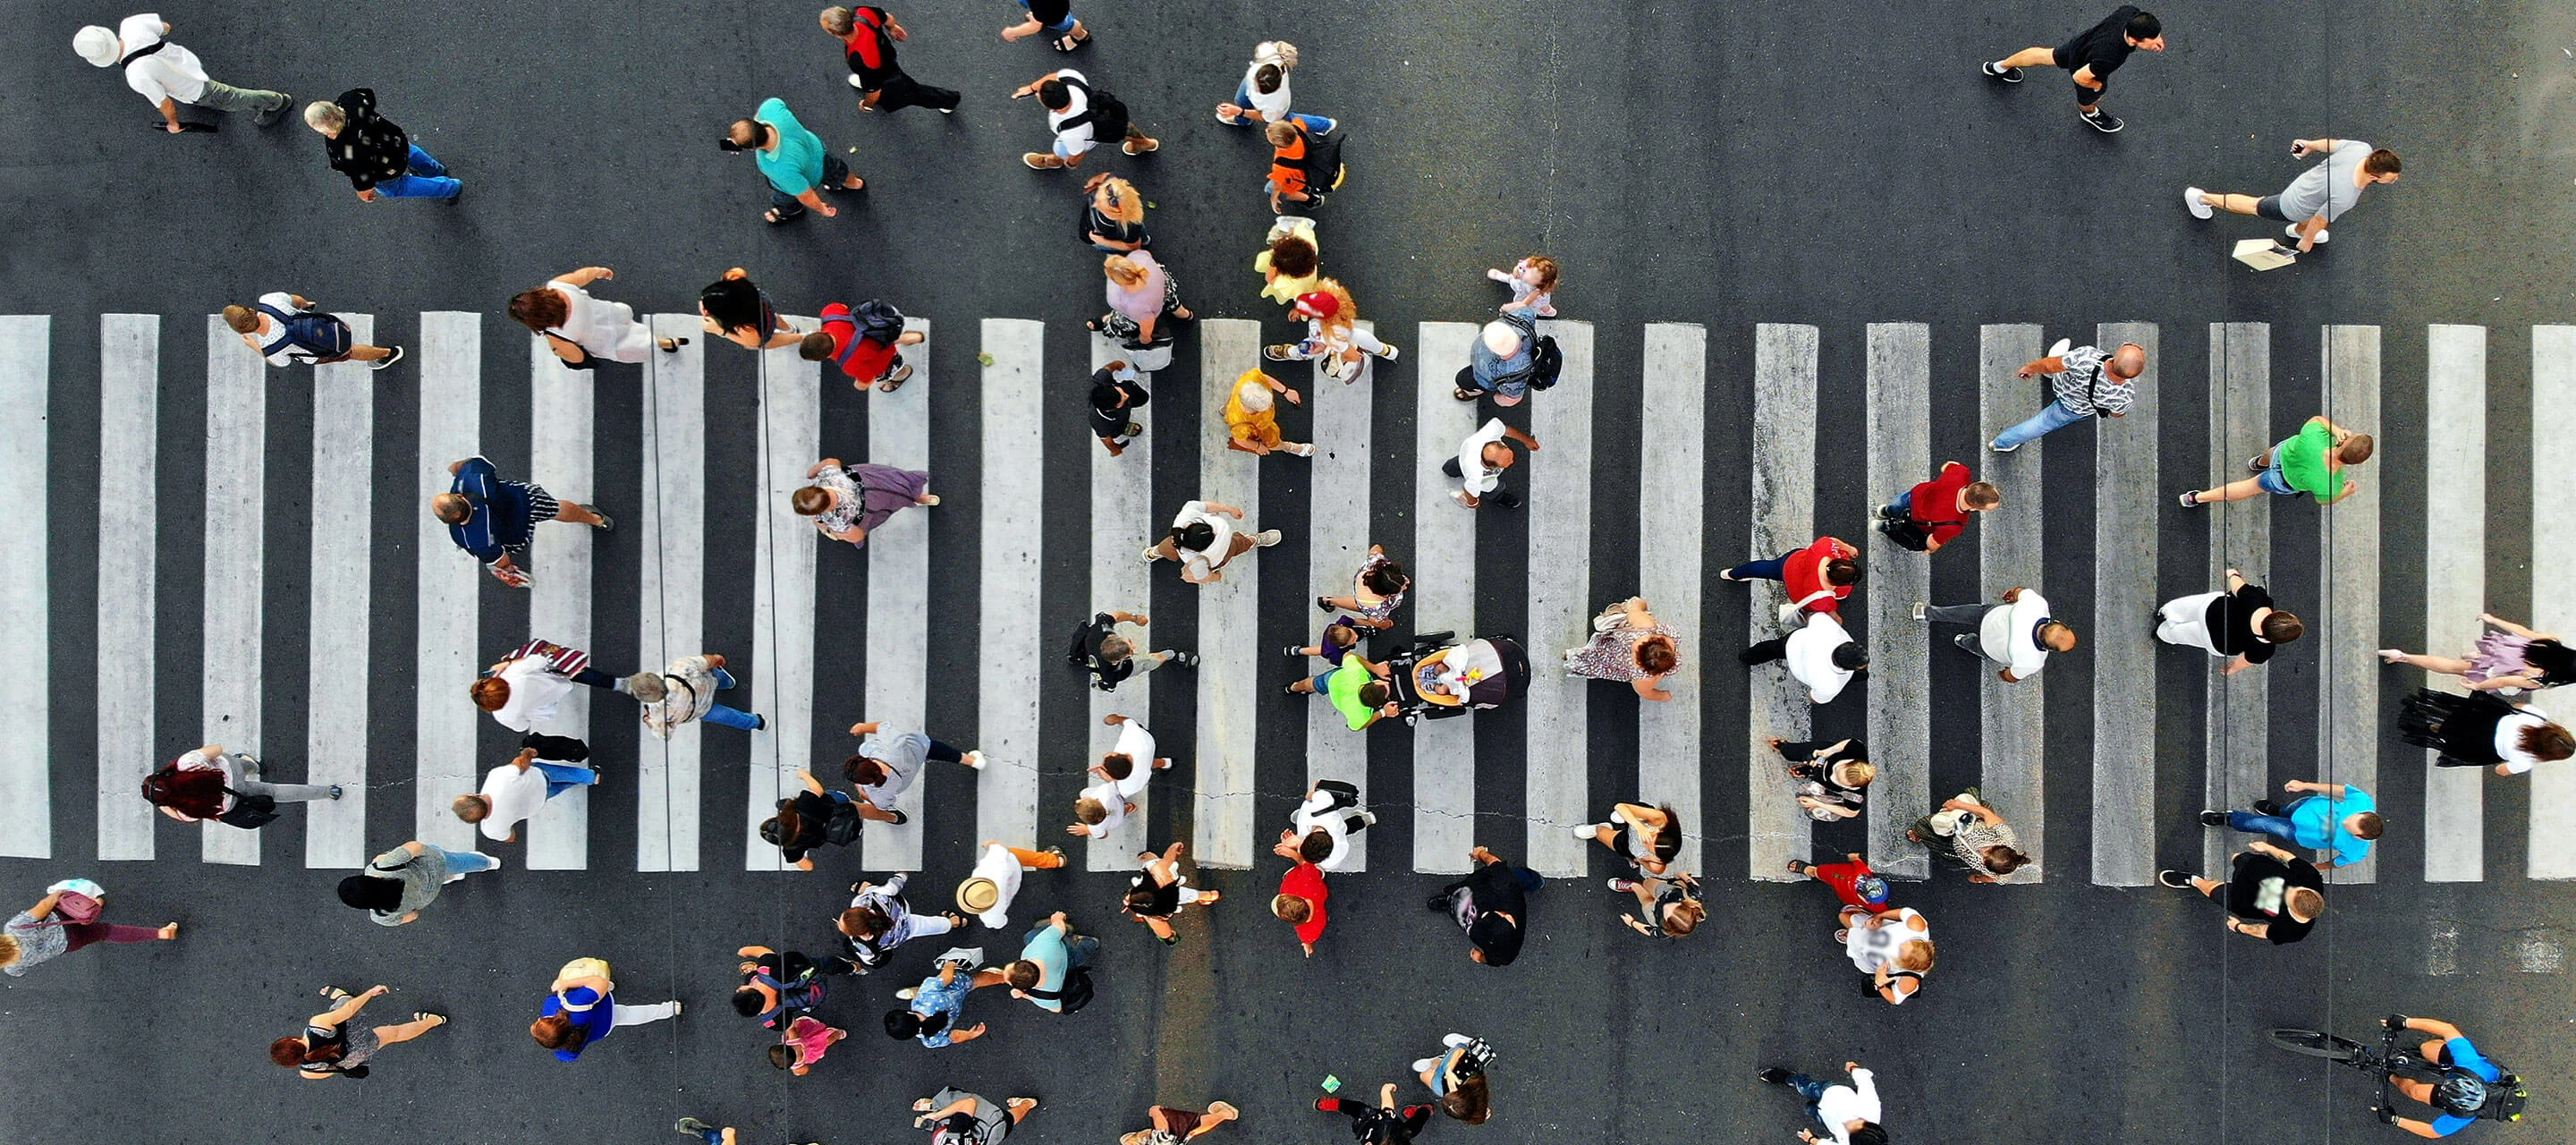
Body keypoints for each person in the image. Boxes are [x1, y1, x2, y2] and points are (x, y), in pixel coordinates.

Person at [76, 14, 292, 132]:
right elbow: (166, 27)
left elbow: (166, 104)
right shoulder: (131, 24)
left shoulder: (136, 75)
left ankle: (275, 103)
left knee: (233, 98)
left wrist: (173, 124)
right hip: (186, 62)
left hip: (195, 89)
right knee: (221, 96)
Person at [2185, 139, 2402, 252]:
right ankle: (2201, 198)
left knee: (2314, 210)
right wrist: (2307, 241)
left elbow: (2331, 144)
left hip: (2310, 187)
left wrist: (2309, 146)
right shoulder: (2346, 195)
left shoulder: (2361, 149)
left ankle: (2297, 230)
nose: (2394, 180)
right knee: (2255, 206)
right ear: (2375, 176)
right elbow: (2320, 220)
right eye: (2391, 178)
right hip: (2294, 205)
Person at [1979, 5, 2165, 132]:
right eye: (2153, 39)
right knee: (2091, 95)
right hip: (2086, 64)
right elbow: (2080, 77)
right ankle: (2089, 113)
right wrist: (2098, 86)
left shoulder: (2130, 13)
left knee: (2044, 55)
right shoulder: (2112, 57)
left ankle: (1999, 67)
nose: (2157, 41)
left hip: (2081, 44)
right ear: (2135, 40)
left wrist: (2153, 36)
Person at [436, 456, 611, 588]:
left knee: (498, 560)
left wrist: (508, 569)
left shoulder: (467, 538)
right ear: (459, 496)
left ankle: (523, 579)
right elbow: (471, 463)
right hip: (526, 501)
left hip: (516, 533)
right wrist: (455, 468)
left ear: (450, 522)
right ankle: (596, 519)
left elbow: (501, 561)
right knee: (557, 508)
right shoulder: (473, 478)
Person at [2371, 1014, 2529, 1136]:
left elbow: (2432, 1132)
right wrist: (2405, 1022)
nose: (2443, 1088)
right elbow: (2447, 1029)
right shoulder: (2471, 1064)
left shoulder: (2463, 1114)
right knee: (2427, 1049)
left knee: (2415, 1092)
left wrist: (2394, 1120)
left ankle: (2392, 1077)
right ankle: (2439, 1054)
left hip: (2462, 1091)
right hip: (2466, 1068)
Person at [2181, 414, 2374, 507]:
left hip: (2281, 454)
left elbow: (2316, 419)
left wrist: (2337, 430)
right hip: (2281, 481)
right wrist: (2345, 492)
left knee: (2270, 453)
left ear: (2344, 442)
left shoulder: (2317, 437)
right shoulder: (2333, 482)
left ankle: (2258, 463)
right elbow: (2323, 500)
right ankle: (2196, 498)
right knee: (2249, 488)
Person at [509, 267, 686, 368]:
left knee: (639, 342)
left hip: (607, 340)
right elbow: (581, 276)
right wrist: (598, 272)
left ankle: (668, 343)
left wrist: (559, 353)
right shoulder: (557, 287)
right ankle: (668, 343)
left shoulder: (556, 335)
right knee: (630, 325)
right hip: (611, 314)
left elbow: (577, 358)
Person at [2157, 839, 2326, 944]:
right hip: (2256, 867)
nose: (2288, 889)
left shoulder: (2293, 931)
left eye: (2289, 895)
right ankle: (2236, 863)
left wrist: (2239, 927)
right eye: (2298, 888)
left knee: (2212, 890)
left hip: (2243, 900)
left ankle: (2192, 880)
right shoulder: (2312, 879)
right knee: (2237, 858)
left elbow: (2262, 931)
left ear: (2293, 910)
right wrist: (2268, 849)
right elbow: (2290, 859)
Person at [726, 98, 864, 224]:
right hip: (819, 153)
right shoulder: (771, 108)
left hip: (810, 177)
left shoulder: (776, 167)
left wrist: (822, 208)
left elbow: (805, 194)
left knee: (786, 197)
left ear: (753, 148)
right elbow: (758, 119)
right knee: (838, 172)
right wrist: (743, 138)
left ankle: (791, 211)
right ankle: (855, 183)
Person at [1989, 341, 2144, 452]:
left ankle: (2002, 442)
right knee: (2040, 425)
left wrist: (2030, 368)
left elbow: (2052, 365)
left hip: (2061, 382)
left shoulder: (2087, 357)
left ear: (2116, 356)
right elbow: (2117, 414)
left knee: (2056, 364)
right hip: (2074, 408)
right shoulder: (2125, 396)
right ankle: (2000, 444)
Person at [2, 880, 177, 977]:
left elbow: (19, 972)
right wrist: (56, 893)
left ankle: (161, 933)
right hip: (62, 919)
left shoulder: (12, 966)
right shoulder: (14, 928)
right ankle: (94, 905)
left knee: (106, 932)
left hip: (71, 943)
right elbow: (42, 908)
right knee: (72, 902)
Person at [307, 89, 459, 201]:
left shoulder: (342, 150)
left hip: (386, 169)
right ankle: (437, 170)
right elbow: (367, 94)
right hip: (396, 142)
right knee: (411, 152)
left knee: (398, 187)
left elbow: (360, 175)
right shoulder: (350, 101)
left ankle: (450, 188)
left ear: (326, 130)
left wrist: (363, 192)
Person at [142, 743, 341, 828]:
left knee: (274, 791)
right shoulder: (187, 764)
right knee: (238, 763)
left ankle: (328, 793)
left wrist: (162, 805)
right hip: (230, 770)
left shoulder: (188, 810)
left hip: (235, 797)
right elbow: (217, 749)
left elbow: (182, 818)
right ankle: (252, 765)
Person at [271, 985, 445, 1080]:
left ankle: (433, 1020)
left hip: (355, 1053)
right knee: (340, 1010)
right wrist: (370, 992)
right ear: (292, 1039)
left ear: (293, 1063)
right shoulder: (316, 1025)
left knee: (395, 1034)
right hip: (348, 1029)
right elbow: (348, 1011)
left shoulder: (308, 1072)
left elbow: (333, 1068)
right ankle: (343, 996)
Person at [2200, 778, 2381, 869]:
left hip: (2296, 832)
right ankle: (2277, 810)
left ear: (2358, 836)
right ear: (2365, 813)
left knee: (2263, 824)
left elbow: (2338, 862)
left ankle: (2229, 818)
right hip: (2305, 806)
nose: (2345, 820)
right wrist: (2305, 785)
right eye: (2352, 817)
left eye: (2349, 825)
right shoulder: (2363, 802)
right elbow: (2340, 790)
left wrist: (2317, 867)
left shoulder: (2356, 851)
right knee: (2285, 811)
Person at [2381, 613, 2573, 695]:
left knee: (2475, 660)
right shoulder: (2539, 679)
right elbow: (2503, 682)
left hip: (2502, 651)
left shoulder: (2551, 642)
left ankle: (2474, 656)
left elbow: (2522, 631)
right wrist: (2479, 686)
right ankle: (2403, 656)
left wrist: (2494, 620)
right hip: (2497, 669)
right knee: (2454, 667)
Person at [531, 957, 681, 1062]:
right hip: (605, 1005)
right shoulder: (560, 1004)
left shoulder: (566, 1053)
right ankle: (609, 987)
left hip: (604, 1026)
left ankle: (670, 1009)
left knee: (631, 1016)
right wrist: (564, 983)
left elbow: (570, 1055)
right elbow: (598, 982)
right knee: (601, 986)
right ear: (550, 1019)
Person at [2397, 689, 2574, 776]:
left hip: (2487, 719)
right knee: (2450, 737)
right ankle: (2421, 726)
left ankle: (2419, 706)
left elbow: (2517, 707)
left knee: (2454, 714)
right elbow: (2501, 770)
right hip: (2483, 745)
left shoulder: (2539, 717)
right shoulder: (2526, 761)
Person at [2157, 568, 2304, 673]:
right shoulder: (2265, 650)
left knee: (2185, 608)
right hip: (2215, 640)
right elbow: (2245, 661)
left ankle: (2166, 612)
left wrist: (2232, 573)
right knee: (2185, 635)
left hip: (2212, 610)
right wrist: (2232, 668)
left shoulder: (2259, 600)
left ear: (2276, 614)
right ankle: (2164, 633)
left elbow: (2237, 587)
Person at [1917, 587, 2073, 683]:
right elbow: (2009, 676)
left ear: (2058, 622)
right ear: (2050, 649)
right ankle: (1962, 641)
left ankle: (1925, 613)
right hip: (1988, 647)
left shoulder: (2038, 606)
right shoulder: (2033, 662)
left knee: (1957, 613)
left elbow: (2019, 592)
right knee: (1974, 645)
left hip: (1989, 617)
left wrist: (2010, 596)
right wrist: (2002, 673)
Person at [845, 720, 987, 826]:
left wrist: (864, 794)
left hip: (907, 777)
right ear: (868, 761)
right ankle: (973, 761)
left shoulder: (876, 792)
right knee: (940, 751)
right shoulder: (888, 748)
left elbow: (883, 805)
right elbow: (882, 726)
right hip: (917, 749)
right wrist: (863, 728)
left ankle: (974, 761)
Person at [472, 639, 627, 733]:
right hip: (554, 680)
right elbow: (539, 660)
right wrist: (508, 662)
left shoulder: (503, 716)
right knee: (581, 673)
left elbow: (522, 727)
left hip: (548, 701)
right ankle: (618, 684)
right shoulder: (511, 673)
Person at [826, 5, 960, 114]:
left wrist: (867, 104)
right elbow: (887, 17)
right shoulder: (863, 12)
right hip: (886, 54)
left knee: (914, 94)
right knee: (872, 78)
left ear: (834, 34)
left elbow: (874, 92)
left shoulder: (859, 59)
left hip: (884, 77)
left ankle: (948, 100)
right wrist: (893, 28)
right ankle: (865, 80)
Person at [336, 839, 500, 927]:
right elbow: (415, 847)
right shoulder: (380, 869)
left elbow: (413, 915)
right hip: (433, 865)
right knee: (461, 862)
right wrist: (382, 858)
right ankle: (488, 863)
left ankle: (452, 877)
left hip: (427, 894)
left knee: (443, 877)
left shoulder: (381, 917)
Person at [1015, 68, 1156, 170]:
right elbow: (1054, 76)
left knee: (1061, 149)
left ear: (1051, 108)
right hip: (1103, 112)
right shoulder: (1072, 78)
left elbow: (1078, 152)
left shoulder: (1069, 131)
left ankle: (1053, 161)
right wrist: (1032, 87)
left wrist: (1071, 163)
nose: (1037, 93)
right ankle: (1145, 143)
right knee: (1123, 127)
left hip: (1090, 134)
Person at [454, 743, 596, 842]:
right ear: (474, 796)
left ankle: (575, 782)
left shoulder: (491, 830)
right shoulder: (496, 778)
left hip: (538, 801)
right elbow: (521, 764)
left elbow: (511, 837)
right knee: (564, 774)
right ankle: (590, 776)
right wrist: (527, 753)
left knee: (561, 787)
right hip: (539, 777)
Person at [223, 293, 403, 369]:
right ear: (251, 310)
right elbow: (298, 300)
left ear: (241, 332)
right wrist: (306, 306)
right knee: (347, 347)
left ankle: (389, 353)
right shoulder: (269, 301)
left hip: (319, 352)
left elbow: (282, 363)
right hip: (325, 324)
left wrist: (255, 346)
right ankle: (387, 353)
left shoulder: (271, 348)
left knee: (349, 352)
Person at [1264, 284, 1397, 383]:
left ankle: (1291, 353)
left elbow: (1352, 356)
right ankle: (1385, 351)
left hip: (1331, 342)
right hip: (1331, 339)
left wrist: (1334, 356)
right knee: (1356, 336)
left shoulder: (1334, 337)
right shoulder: (1330, 302)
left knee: (1306, 350)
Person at [1429, 844, 1538, 966]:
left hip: (1479, 891)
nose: (1483, 913)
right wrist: (1481, 854)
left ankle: (1451, 902)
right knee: (1514, 876)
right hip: (1489, 885)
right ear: (1506, 916)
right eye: (1487, 915)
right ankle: (1535, 880)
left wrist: (1481, 958)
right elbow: (1496, 866)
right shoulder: (1505, 888)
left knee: (1519, 879)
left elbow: (1495, 960)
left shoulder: (1505, 953)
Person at [795, 456, 938, 548]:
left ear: (821, 510)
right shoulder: (827, 476)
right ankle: (915, 496)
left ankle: (915, 499)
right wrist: (811, 473)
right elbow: (831, 462)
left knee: (893, 499)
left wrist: (831, 531)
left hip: (872, 503)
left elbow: (857, 535)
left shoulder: (836, 520)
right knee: (896, 486)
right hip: (871, 480)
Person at [835, 874, 965, 973]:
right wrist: (902, 875)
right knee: (930, 925)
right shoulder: (874, 900)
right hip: (904, 918)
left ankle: (952, 923)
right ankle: (954, 922)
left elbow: (872, 960)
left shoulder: (864, 946)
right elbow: (892, 888)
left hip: (903, 934)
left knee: (931, 926)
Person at [1563, 597, 1684, 700]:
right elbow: (1646, 692)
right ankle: (1573, 657)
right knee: (1598, 661)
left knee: (1595, 656)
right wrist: (1663, 696)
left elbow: (1635, 609)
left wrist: (1641, 604)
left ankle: (1573, 657)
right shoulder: (1645, 678)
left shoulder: (1646, 626)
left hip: (1610, 649)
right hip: (1615, 659)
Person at [1069, 714, 1167, 839]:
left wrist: (1088, 830)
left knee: (1148, 765)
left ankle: (1127, 808)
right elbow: (1128, 721)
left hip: (1119, 815)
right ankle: (1165, 762)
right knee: (1149, 762)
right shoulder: (1105, 792)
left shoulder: (1125, 787)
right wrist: (1115, 719)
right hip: (1147, 754)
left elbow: (1103, 835)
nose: (1105, 756)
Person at [886, 946, 1005, 1048]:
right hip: (958, 984)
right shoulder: (926, 995)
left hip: (955, 1008)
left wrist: (970, 1034)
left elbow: (955, 1036)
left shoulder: (930, 1040)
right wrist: (949, 964)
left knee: (974, 983)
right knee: (975, 981)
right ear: (909, 1013)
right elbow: (946, 978)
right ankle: (1005, 977)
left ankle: (1005, 978)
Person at [1741, 610, 1867, 705]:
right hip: (1798, 665)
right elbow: (1814, 698)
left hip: (1793, 643)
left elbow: (1813, 616)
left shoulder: (1833, 632)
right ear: (1846, 668)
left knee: (1771, 648)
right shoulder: (1831, 685)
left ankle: (1747, 657)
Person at [1144, 499, 1281, 585]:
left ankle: (1152, 553)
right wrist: (1216, 576)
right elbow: (1199, 577)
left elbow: (1205, 506)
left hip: (1179, 546)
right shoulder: (1198, 564)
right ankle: (1253, 540)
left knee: (1166, 546)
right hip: (1226, 551)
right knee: (1239, 544)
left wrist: (1229, 509)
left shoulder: (1185, 517)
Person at [1908, 789, 2033, 882]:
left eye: (1985, 861)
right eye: (1988, 851)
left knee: (1925, 830)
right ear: (1997, 846)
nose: (1982, 855)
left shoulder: (2001, 875)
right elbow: (1985, 813)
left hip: (1957, 848)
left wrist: (1978, 879)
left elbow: (1991, 879)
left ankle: (1922, 834)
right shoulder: (2006, 837)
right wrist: (1958, 806)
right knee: (1973, 796)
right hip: (1969, 824)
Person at [1722, 536, 1860, 620]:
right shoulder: (1824, 599)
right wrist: (1837, 620)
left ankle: (1733, 574)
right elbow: (1829, 614)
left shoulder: (1823, 549)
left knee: (1765, 568)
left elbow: (1832, 540)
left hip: (1790, 564)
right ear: (1838, 583)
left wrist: (1848, 548)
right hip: (1795, 589)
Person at [1755, 1060, 1888, 1145]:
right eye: (1857, 1124)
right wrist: (1854, 1068)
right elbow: (1866, 1083)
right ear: (1871, 1126)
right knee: (1804, 1087)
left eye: (1850, 1132)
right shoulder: (1871, 1107)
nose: (1847, 1124)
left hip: (1826, 1118)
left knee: (1809, 1109)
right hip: (1830, 1093)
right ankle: (1786, 1076)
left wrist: (1812, 1140)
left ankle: (1797, 1083)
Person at [631, 653, 767, 736]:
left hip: (702, 710)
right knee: (716, 679)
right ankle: (727, 682)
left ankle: (758, 722)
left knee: (730, 717)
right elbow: (706, 661)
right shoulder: (680, 669)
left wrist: (646, 718)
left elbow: (663, 734)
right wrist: (717, 659)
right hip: (706, 686)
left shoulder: (656, 715)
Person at [1877, 461, 1999, 553]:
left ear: (1974, 485)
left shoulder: (1961, 473)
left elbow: (1946, 466)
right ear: (1975, 508)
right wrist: (1930, 549)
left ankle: (1886, 511)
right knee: (1899, 528)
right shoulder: (1956, 525)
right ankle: (1884, 526)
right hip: (1918, 520)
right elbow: (1932, 542)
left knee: (1896, 505)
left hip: (1916, 496)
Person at [759, 770, 862, 871]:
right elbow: (817, 789)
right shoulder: (803, 805)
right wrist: (804, 775)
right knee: (854, 806)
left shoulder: (791, 849)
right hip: (836, 806)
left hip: (834, 830)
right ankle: (875, 812)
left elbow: (808, 866)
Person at [1093, 250, 1193, 352]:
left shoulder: (1131, 304)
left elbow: (1147, 322)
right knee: (1171, 301)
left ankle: (1107, 323)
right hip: (1165, 288)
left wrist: (1145, 338)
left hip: (1148, 308)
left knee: (1118, 323)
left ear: (1119, 282)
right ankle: (1185, 314)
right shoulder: (1139, 257)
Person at [1071, 610, 1195, 691]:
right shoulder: (1111, 673)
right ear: (1117, 662)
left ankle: (1076, 659)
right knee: (1146, 662)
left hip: (1088, 655)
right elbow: (1109, 686)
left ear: (1111, 637)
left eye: (1129, 643)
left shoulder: (1098, 631)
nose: (1134, 647)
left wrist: (1134, 618)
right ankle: (1171, 655)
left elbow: (1115, 616)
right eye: (1130, 652)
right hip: (1113, 670)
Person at [1216, 41, 1329, 130]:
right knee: (1240, 100)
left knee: (1288, 121)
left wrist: (1239, 111)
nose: (1254, 87)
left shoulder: (1275, 107)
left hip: (1278, 111)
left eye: (1258, 88)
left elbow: (1262, 117)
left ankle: (1324, 125)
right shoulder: (1272, 60)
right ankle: (1242, 121)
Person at [1123, 841, 1219, 945]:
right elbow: (1168, 858)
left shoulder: (1153, 916)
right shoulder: (1158, 872)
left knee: (1189, 896)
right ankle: (1210, 895)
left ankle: (1210, 896)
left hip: (1172, 900)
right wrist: (1175, 847)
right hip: (1168, 883)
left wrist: (1170, 937)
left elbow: (1162, 930)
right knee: (1151, 861)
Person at [1004, 910, 1098, 1013]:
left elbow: (1057, 1009)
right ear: (1025, 961)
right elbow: (1059, 928)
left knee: (1082, 954)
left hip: (1069, 968)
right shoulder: (1040, 946)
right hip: (1065, 949)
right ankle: (1085, 940)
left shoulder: (1043, 997)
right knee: (1029, 937)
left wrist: (1023, 995)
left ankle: (1088, 943)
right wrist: (1057, 919)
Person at [958, 840, 1065, 929]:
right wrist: (990, 845)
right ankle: (1056, 860)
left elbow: (1000, 923)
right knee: (1015, 854)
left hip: (1012, 888)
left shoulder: (989, 915)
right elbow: (1000, 848)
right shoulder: (987, 868)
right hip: (1013, 866)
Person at [1271, 780, 1374, 872]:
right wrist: (1297, 844)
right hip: (1330, 822)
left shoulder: (1331, 857)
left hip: (1316, 819)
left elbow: (1311, 794)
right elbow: (1314, 793)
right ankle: (1363, 819)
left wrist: (1297, 846)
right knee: (1346, 828)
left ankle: (1363, 820)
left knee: (1346, 828)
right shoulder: (1332, 859)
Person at [1839, 904, 1934, 1005]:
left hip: (1866, 957)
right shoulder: (1917, 926)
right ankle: (1853, 933)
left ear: (1905, 965)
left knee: (1849, 929)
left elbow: (1895, 999)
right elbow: (1903, 912)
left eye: (1900, 951)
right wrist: (1879, 917)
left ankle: (1851, 937)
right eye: (1906, 943)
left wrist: (1880, 985)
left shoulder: (1910, 979)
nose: (1899, 945)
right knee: (1843, 916)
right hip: (1874, 929)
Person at [1287, 649, 1400, 730]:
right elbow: (1355, 727)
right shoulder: (1361, 715)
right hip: (1337, 698)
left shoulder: (1358, 674)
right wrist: (1383, 713)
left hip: (1333, 680)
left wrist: (1375, 669)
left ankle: (1294, 688)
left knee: (1312, 683)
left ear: (1371, 682)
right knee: (1314, 685)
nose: (1386, 682)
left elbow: (1349, 655)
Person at [699, 267, 804, 351]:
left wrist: (721, 331)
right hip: (763, 304)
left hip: (761, 328)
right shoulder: (734, 280)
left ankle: (801, 337)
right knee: (774, 318)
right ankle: (789, 329)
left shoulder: (743, 326)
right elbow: (740, 271)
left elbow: (754, 342)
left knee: (765, 343)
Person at [1448, 416, 1540, 510]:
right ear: (1492, 468)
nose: (1512, 461)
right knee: (1493, 488)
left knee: (1454, 466)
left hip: (1463, 458)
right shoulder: (1477, 477)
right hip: (1477, 474)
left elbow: (1506, 430)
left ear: (1498, 443)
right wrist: (1473, 503)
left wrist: (1527, 440)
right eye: (1507, 462)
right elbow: (1468, 491)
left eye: (1510, 456)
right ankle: (1499, 497)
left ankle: (1449, 470)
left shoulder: (1492, 431)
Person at [1774, 740, 1877, 824]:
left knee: (1810, 805)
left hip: (1822, 782)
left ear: (1851, 787)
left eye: (1838, 781)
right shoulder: (1856, 751)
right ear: (1849, 762)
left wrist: (1818, 804)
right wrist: (1828, 752)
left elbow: (1851, 812)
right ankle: (1787, 748)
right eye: (1837, 770)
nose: (1833, 776)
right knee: (1788, 752)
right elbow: (1850, 742)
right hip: (1823, 756)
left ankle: (1810, 771)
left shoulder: (1856, 796)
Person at [1573, 802, 1683, 878]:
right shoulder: (1660, 819)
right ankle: (1626, 818)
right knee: (1618, 815)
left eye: (1649, 849)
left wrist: (1640, 860)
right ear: (1661, 831)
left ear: (1658, 858)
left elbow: (1655, 870)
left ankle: (1600, 828)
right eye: (1652, 837)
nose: (1646, 841)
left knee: (1601, 833)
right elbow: (1620, 806)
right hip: (1637, 820)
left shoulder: (1657, 864)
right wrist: (1638, 825)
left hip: (1628, 844)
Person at [1454, 314, 1545, 405]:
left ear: (1500, 354)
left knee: (1463, 379)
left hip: (1484, 377)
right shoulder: (1523, 319)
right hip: (1484, 367)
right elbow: (1523, 308)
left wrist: (1497, 399)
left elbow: (1512, 399)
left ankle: (1477, 391)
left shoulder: (1513, 376)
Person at [732, 946, 826, 1031]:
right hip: (812, 979)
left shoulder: (770, 1020)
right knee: (785, 959)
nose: (737, 989)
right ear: (754, 989)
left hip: (814, 998)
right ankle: (833, 964)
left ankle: (754, 971)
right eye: (740, 991)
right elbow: (765, 953)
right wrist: (744, 951)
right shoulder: (769, 973)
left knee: (751, 976)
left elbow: (790, 1025)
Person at [1222, 370, 1312, 457]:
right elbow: (1240, 441)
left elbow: (1265, 378)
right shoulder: (1240, 424)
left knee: (1230, 405)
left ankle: (1225, 410)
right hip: (1261, 426)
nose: (1270, 407)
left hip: (1234, 406)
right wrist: (1258, 446)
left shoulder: (1250, 379)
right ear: (1255, 410)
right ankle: (1288, 447)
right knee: (1272, 440)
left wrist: (1286, 391)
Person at [1318, 546, 1410, 631]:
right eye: (1398, 591)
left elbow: (1376, 548)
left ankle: (1328, 601)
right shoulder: (1378, 609)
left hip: (1362, 593)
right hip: (1366, 603)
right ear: (1385, 594)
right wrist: (1387, 624)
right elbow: (1377, 622)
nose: (1404, 587)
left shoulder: (1371, 564)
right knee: (1358, 605)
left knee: (1358, 604)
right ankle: (1328, 601)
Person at [1412, 1034, 1497, 1124]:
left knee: (1427, 1076)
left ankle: (1438, 1061)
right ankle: (1465, 1045)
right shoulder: (1471, 1071)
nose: (1451, 1087)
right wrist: (1449, 1070)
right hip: (1459, 1061)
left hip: (1452, 1071)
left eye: (1448, 1093)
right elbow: (1460, 1051)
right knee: (1429, 1075)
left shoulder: (1477, 1090)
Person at [1264, 118, 1345, 212]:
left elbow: (1277, 187)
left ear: (1277, 145)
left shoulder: (1280, 166)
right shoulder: (1297, 127)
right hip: (1313, 165)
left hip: (1300, 180)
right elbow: (1301, 121)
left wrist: (1273, 200)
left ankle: (1312, 199)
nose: (1266, 130)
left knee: (1269, 189)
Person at [913, 1089, 1039, 1145]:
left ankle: (1028, 1104)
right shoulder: (954, 1135)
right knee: (1006, 1120)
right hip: (986, 1124)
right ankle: (1027, 1103)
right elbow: (969, 1103)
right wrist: (937, 1115)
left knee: (1005, 1125)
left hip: (983, 1139)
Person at [1318, 1084, 1434, 1144]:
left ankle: (1425, 1111)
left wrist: (1386, 1090)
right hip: (1388, 1132)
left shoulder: (1386, 1131)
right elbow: (1387, 1111)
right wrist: (1385, 1091)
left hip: (1375, 1125)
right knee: (1412, 1128)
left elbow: (1388, 1112)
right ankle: (1425, 1110)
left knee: (1358, 1109)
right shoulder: (1386, 1131)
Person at [1610, 871, 1706, 940]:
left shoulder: (1665, 930)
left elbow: (1649, 931)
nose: (1665, 905)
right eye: (1675, 905)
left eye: (1665, 912)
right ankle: (1643, 884)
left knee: (1644, 897)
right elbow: (1693, 885)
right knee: (1648, 882)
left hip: (1654, 911)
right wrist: (1682, 875)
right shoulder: (1693, 897)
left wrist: (1632, 922)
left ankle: (1633, 886)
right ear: (1685, 906)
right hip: (1666, 890)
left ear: (1667, 924)